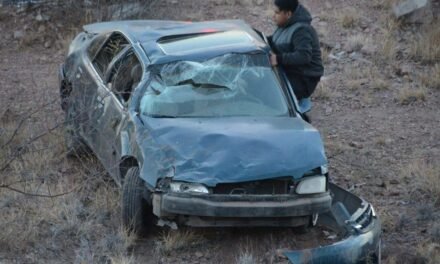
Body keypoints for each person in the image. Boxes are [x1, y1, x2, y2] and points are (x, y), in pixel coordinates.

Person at [268, 0, 323, 101]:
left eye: (277, 13)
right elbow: (274, 41)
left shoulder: (301, 30)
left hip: (303, 79)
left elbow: (304, 56)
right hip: (291, 72)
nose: (273, 16)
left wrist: (278, 59)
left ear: (288, 14)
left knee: (266, 92)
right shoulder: (285, 25)